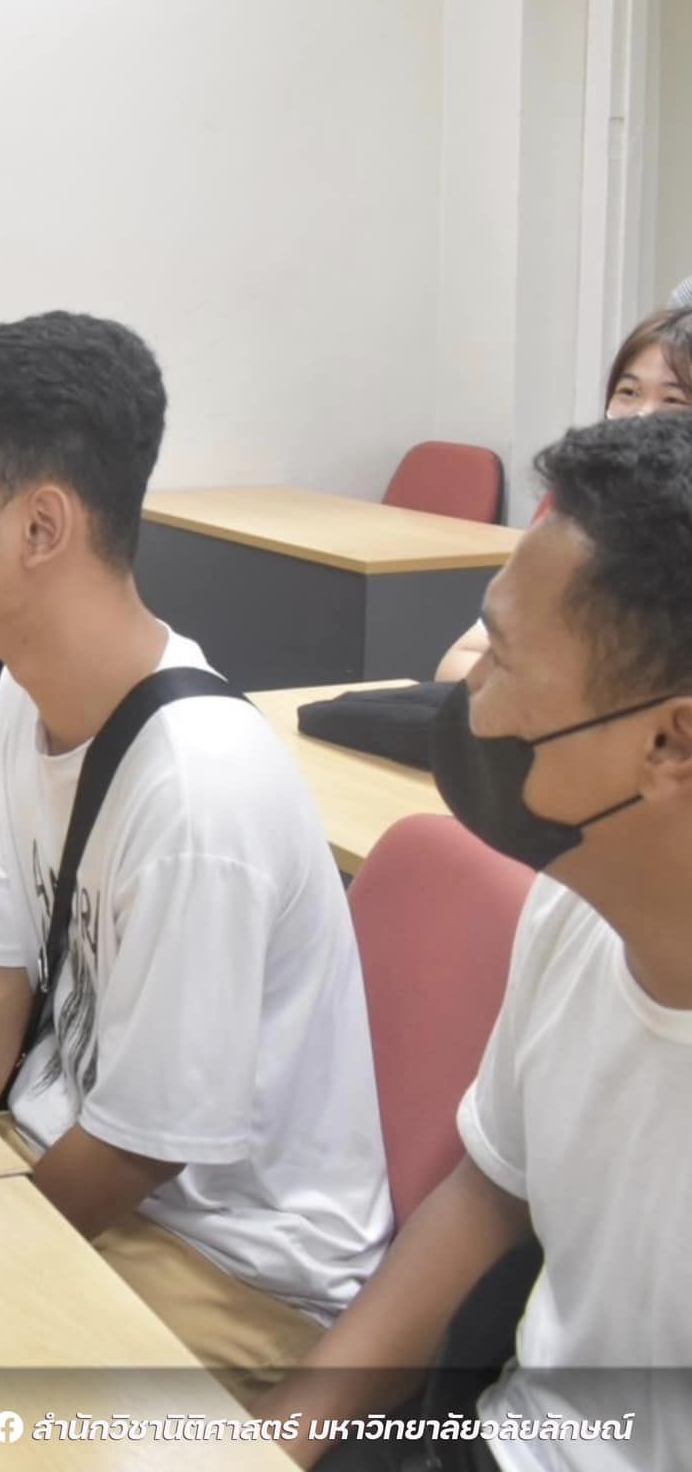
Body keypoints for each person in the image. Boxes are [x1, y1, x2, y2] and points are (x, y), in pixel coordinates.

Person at [0, 312, 391, 1403]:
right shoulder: (24, 693)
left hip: (229, 1267)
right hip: (71, 1163)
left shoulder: (197, 792)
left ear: (41, 526)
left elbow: (142, 1147)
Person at [257, 412, 692, 1470]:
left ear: (667, 742)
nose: (465, 698)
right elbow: (490, 1190)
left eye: (500, 658)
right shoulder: (574, 903)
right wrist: (277, 1440)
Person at [435, 308, 692, 681]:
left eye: (673, 400)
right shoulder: (579, 517)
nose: (641, 415)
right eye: (629, 392)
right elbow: (461, 660)